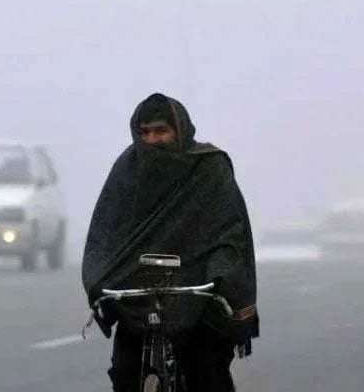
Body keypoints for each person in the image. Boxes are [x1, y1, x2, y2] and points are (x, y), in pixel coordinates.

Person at [82, 92, 258, 391]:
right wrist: (99, 277)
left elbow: (228, 232)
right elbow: (106, 232)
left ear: (180, 131)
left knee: (207, 372)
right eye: (144, 132)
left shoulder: (208, 168)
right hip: (136, 291)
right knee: (125, 374)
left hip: (197, 290)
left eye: (161, 131)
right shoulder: (127, 169)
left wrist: (221, 277)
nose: (151, 140)